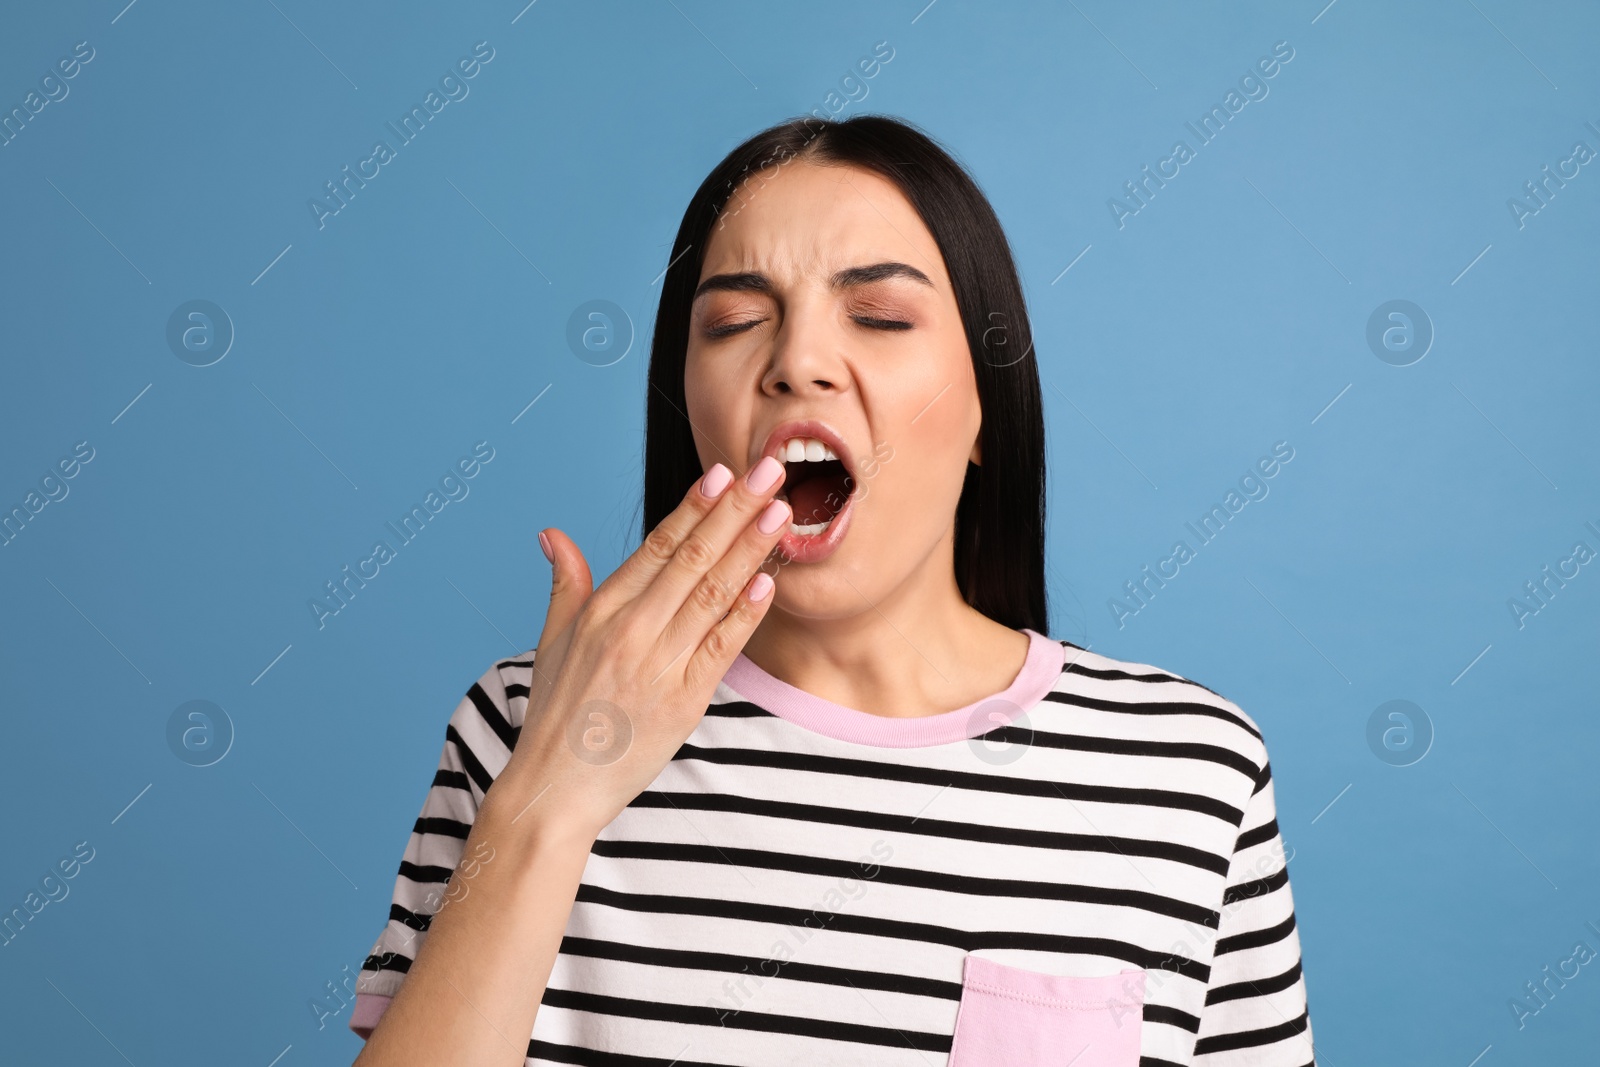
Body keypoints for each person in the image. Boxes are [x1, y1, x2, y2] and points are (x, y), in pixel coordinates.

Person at [348, 114, 1315, 1067]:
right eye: (733, 322)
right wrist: (549, 801)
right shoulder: (523, 723)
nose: (796, 362)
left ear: (987, 408)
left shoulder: (1186, 774)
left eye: (880, 316)